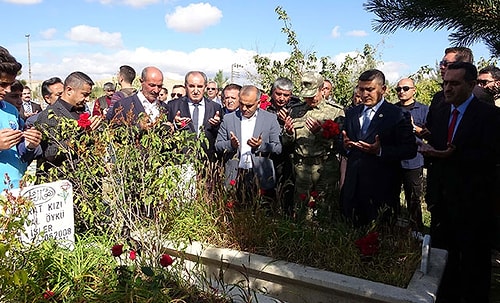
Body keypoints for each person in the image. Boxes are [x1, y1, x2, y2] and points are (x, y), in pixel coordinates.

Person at [420, 62, 500, 303]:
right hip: (442, 200)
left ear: (472, 84)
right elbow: (437, 145)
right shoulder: (441, 111)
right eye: (445, 83)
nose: (447, 89)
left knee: (475, 262)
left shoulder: (489, 116)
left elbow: (493, 155)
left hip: (474, 202)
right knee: (444, 259)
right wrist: (428, 150)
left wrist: (453, 155)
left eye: (454, 83)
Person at [341, 69, 416, 226]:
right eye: (361, 89)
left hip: (382, 188)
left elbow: (410, 149)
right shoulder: (352, 113)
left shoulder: (397, 115)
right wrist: (345, 146)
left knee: (379, 236)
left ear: (383, 89)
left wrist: (380, 151)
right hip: (353, 188)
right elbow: (343, 145)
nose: (365, 94)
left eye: (370, 89)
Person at [283, 72, 344, 219]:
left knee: (323, 209)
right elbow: (287, 143)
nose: (309, 99)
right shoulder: (296, 110)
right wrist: (289, 133)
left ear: (322, 90)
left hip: (325, 168)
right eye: (306, 96)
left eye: (313, 95)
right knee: (301, 209)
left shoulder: (336, 112)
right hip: (302, 169)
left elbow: (340, 143)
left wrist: (320, 132)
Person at [215, 85, 282, 204]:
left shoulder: (270, 119)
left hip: (260, 175)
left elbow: (278, 148)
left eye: (249, 105)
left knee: (260, 215)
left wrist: (261, 146)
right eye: (241, 104)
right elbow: (218, 145)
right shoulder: (228, 119)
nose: (244, 108)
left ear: (258, 102)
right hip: (235, 174)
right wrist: (231, 144)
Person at [36, 71, 102, 171]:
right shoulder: (49, 115)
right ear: (69, 90)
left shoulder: (81, 111)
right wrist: (83, 135)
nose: (87, 99)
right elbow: (50, 153)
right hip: (64, 179)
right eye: (84, 94)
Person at [0, 46, 42, 190]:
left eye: (10, 84)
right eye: (3, 84)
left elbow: (20, 153)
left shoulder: (11, 110)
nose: (7, 90)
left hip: (15, 194)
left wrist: (30, 144)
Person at [394, 78, 428, 231]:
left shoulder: (424, 110)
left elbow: (431, 134)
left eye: (405, 88)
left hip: (414, 161)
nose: (401, 91)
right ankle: (392, 228)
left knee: (413, 197)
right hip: (393, 160)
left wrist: (415, 128)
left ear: (414, 90)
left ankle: (416, 231)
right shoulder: (391, 110)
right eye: (398, 89)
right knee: (391, 196)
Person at [166, 71, 223, 161]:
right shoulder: (173, 105)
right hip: (181, 161)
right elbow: (166, 135)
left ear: (205, 87)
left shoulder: (215, 107)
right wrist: (176, 125)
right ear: (185, 86)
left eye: (200, 87)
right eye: (192, 86)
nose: (196, 91)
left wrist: (216, 126)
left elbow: (219, 136)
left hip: (207, 162)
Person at [266, 77, 301, 215]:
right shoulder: (266, 107)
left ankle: (287, 215)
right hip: (270, 153)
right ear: (273, 92)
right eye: (278, 94)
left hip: (290, 155)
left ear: (291, 95)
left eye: (286, 95)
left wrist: (287, 122)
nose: (281, 98)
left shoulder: (297, 108)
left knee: (288, 186)